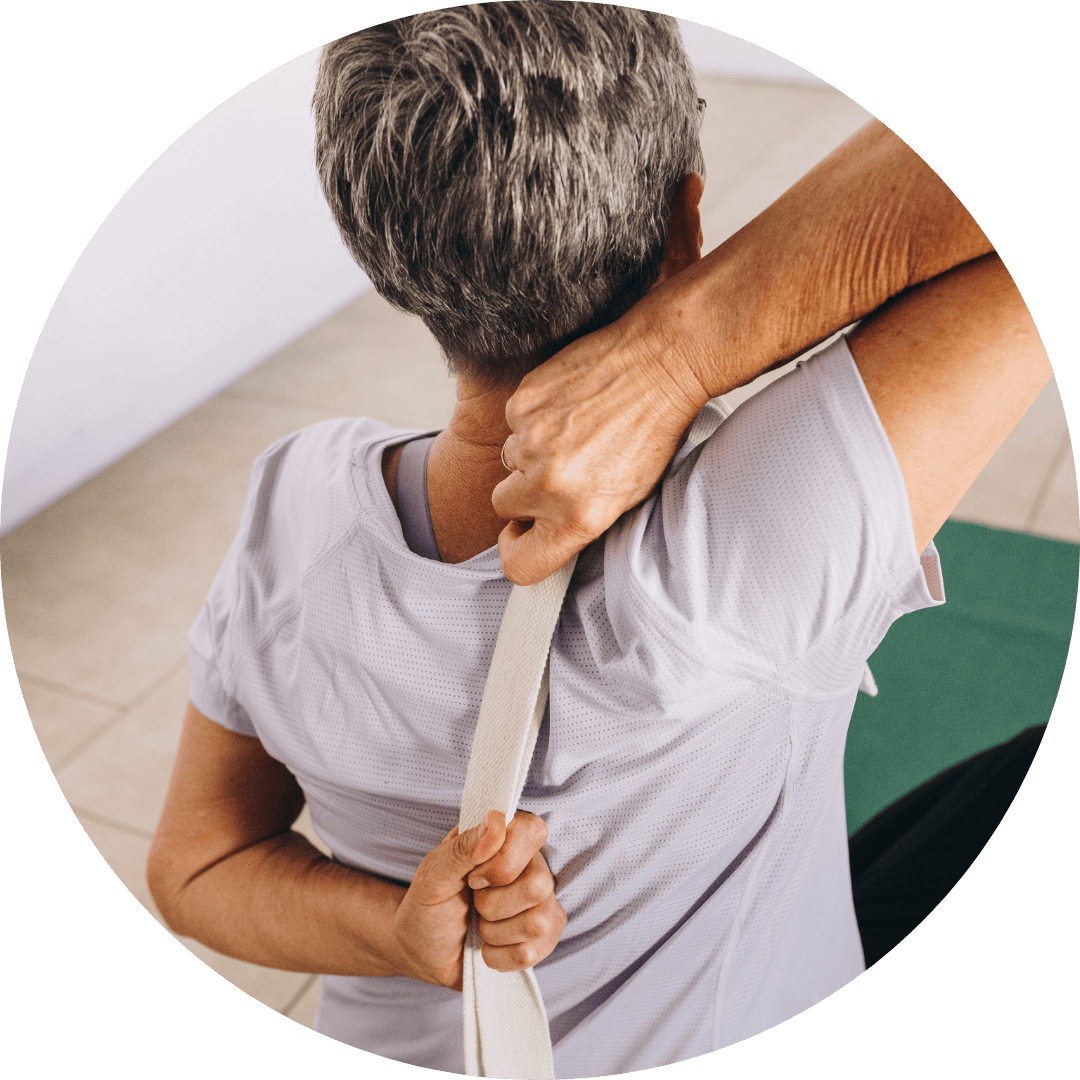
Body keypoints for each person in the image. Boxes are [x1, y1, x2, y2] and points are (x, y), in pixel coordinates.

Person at [147, 5, 1050, 1076]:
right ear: (688, 222)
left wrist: (397, 932)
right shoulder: (753, 534)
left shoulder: (292, 495)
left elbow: (195, 866)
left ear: (380, 256)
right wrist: (685, 346)